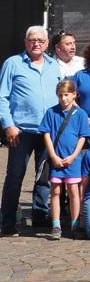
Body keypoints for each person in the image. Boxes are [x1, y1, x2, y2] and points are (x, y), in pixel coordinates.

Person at [0, 26, 62, 235]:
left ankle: (40, 217)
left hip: (48, 132)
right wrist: (8, 125)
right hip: (21, 131)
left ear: (46, 43)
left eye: (40, 40)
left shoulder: (54, 66)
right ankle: (7, 222)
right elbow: (2, 97)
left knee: (44, 177)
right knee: (15, 176)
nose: (36, 43)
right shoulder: (13, 64)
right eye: (32, 40)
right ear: (25, 42)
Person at [41, 79, 90, 239]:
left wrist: (74, 156)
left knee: (73, 192)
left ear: (74, 94)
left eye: (67, 95)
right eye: (61, 95)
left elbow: (83, 137)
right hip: (56, 159)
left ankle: (75, 223)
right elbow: (46, 134)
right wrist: (53, 155)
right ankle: (56, 224)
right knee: (55, 191)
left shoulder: (81, 114)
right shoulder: (51, 112)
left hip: (73, 160)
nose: (64, 99)